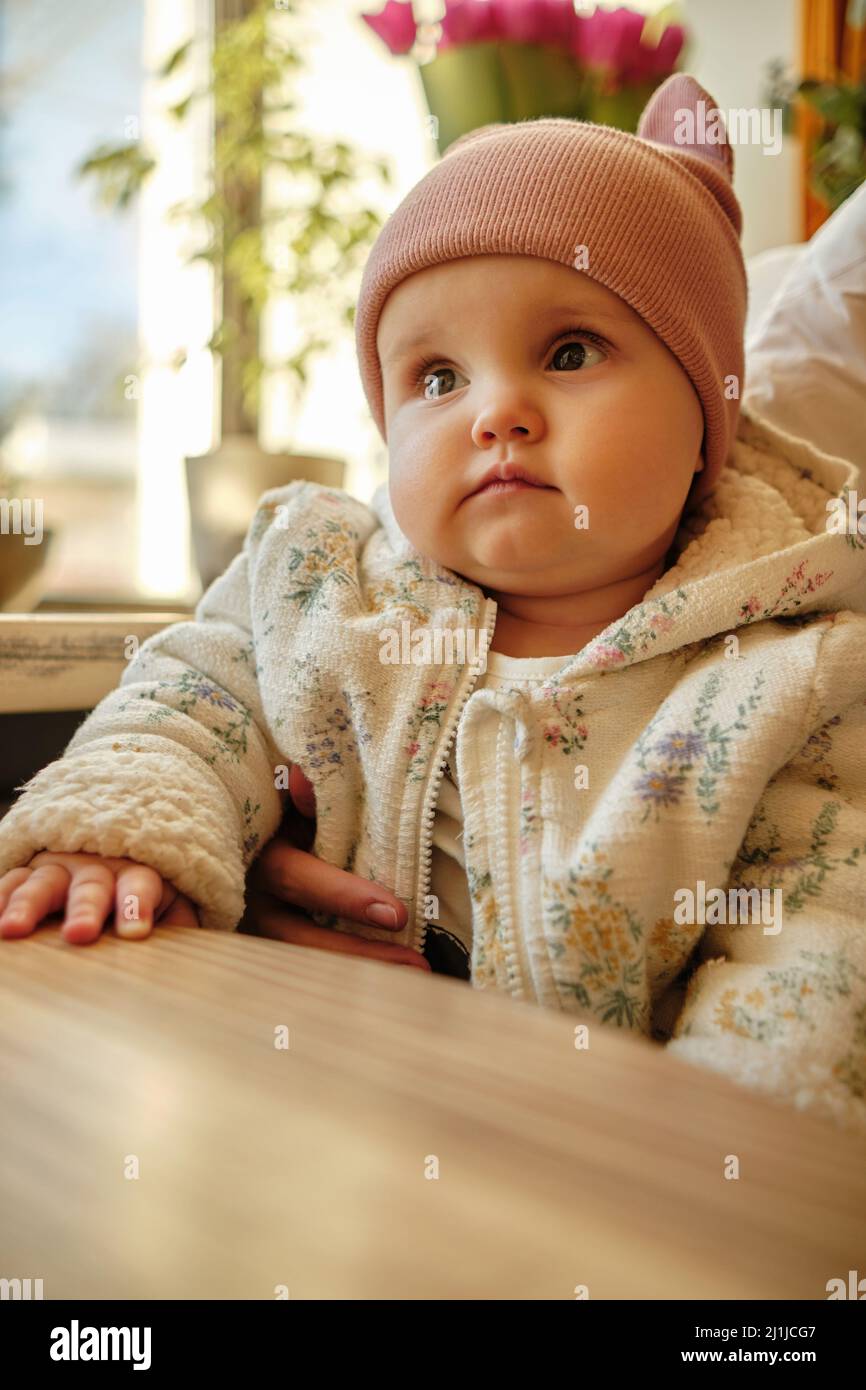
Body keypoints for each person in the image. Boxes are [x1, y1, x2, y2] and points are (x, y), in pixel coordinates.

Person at [2, 75, 866, 1132]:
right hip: (316, 1114)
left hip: (592, 1159)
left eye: (568, 352)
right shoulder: (321, 584)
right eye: (437, 378)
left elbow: (814, 933)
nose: (496, 412)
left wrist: (712, 1144)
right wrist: (119, 834)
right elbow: (188, 703)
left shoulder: (792, 668)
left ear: (704, 425)